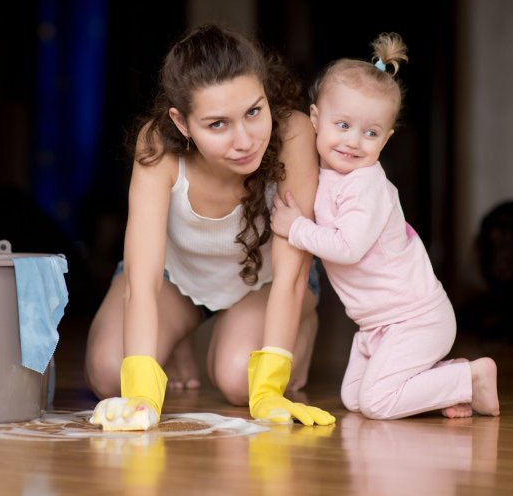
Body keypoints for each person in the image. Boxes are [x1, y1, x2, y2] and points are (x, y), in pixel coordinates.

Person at [85, 24, 335, 430]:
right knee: (110, 374)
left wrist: (270, 387)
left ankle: (298, 329)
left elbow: (292, 273)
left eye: (254, 112)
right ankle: (178, 335)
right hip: (178, 280)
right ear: (182, 123)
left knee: (242, 382)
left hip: (269, 282)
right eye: (218, 124)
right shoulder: (158, 147)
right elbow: (141, 281)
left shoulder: (293, 133)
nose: (245, 140)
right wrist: (143, 397)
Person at [270, 32, 500, 420]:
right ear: (314, 120)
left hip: (414, 319)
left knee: (376, 403)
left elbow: (347, 247)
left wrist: (296, 228)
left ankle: (472, 377)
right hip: (376, 325)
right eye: (342, 125)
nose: (353, 141)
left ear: (386, 139)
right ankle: (441, 382)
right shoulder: (326, 175)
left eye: (370, 133)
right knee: (355, 399)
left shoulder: (367, 186)